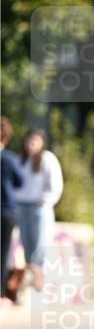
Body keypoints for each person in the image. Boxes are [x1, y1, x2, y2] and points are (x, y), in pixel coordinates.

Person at [15, 128, 63, 292]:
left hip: (40, 207)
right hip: (22, 206)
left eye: (35, 140)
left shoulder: (47, 159)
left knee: (41, 243)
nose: (31, 144)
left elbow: (55, 186)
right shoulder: (20, 160)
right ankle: (30, 277)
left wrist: (44, 200)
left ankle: (38, 276)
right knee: (26, 242)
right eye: (29, 140)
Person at [0, 117, 26, 302]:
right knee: (3, 251)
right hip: (7, 211)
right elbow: (20, 181)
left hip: (7, 211)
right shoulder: (9, 159)